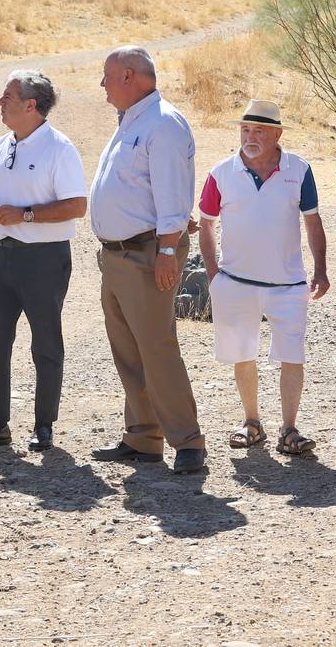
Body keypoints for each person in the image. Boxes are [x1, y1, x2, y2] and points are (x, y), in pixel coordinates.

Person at [88, 46, 207, 475]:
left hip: (147, 253)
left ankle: (188, 441)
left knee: (156, 348)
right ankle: (143, 438)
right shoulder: (132, 121)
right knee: (128, 350)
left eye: (107, 75)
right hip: (118, 256)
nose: (102, 84)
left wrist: (168, 251)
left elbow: (173, 196)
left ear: (129, 76)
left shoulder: (163, 124)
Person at [198, 100, 329, 455]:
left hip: (289, 285)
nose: (250, 137)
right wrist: (213, 274)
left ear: (277, 134)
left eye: (259, 131)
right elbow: (206, 224)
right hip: (236, 281)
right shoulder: (221, 173)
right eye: (245, 130)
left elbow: (312, 221)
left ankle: (290, 429)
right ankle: (251, 422)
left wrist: (320, 269)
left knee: (293, 356)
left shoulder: (299, 170)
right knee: (243, 354)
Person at [0, 71, 88, 453]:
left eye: (7, 97)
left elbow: (77, 206)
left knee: (46, 344)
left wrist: (26, 215)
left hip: (43, 261)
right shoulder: (0, 145)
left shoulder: (60, 148)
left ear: (30, 105)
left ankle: (44, 426)